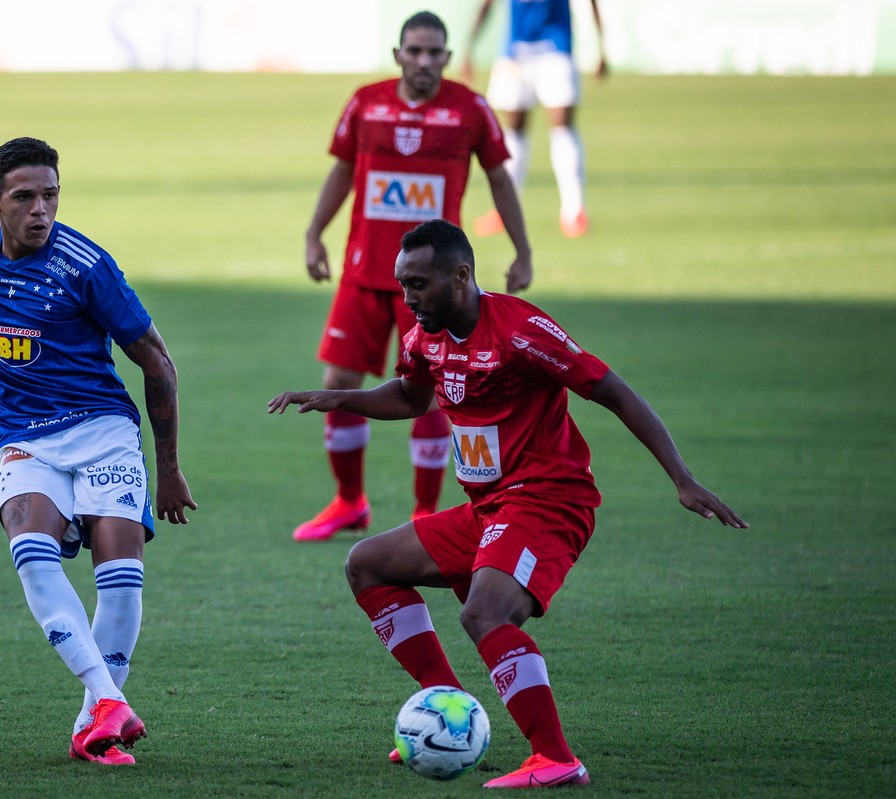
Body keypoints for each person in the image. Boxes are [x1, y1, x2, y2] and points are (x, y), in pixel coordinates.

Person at [269, 219, 746, 788]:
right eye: (403, 284)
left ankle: (556, 760)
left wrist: (682, 479)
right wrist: (338, 397)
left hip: (548, 500)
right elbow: (411, 395)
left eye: (419, 283)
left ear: (462, 275)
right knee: (368, 564)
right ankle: (449, 707)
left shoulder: (522, 331)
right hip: (489, 509)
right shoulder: (425, 335)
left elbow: (613, 391)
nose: (408, 297)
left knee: (484, 613)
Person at [0, 137, 197, 766]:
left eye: (52, 196)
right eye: (26, 197)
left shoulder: (86, 266)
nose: (41, 210)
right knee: (32, 550)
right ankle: (106, 704)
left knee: (118, 576)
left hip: (102, 431)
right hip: (25, 438)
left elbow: (159, 362)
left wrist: (167, 470)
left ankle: (94, 720)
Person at [298, 10, 533, 542]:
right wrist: (315, 233)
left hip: (432, 283)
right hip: (364, 271)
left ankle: (426, 510)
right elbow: (341, 171)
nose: (424, 61)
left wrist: (522, 250)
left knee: (430, 388)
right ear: (398, 54)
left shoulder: (470, 108)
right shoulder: (366, 102)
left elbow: (499, 176)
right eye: (415, 51)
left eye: (435, 53)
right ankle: (348, 501)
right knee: (338, 382)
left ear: (447, 59)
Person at [462, 0, 608, 239]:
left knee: (562, 125)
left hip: (555, 47)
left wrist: (601, 45)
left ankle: (574, 210)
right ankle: (505, 209)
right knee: (514, 129)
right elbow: (487, 5)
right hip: (516, 51)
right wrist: (470, 48)